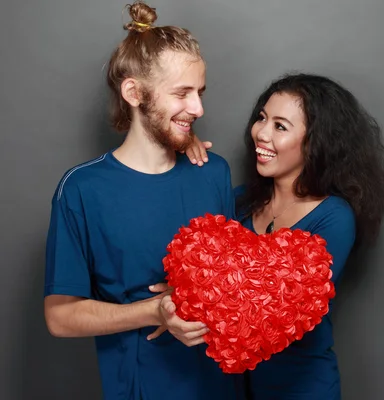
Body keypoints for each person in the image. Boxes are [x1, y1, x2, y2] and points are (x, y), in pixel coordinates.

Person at [43, 2, 241, 399]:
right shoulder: (82, 189)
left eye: (200, 93)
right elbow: (60, 317)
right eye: (182, 93)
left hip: (222, 388)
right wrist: (153, 312)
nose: (198, 108)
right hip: (139, 389)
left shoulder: (213, 171)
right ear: (134, 92)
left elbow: (232, 280)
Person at [168, 73, 384, 399]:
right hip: (233, 389)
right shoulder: (240, 201)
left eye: (280, 126)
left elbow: (254, 306)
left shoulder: (334, 217)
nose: (261, 133)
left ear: (316, 142)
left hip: (302, 389)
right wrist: (188, 160)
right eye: (262, 118)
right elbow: (191, 249)